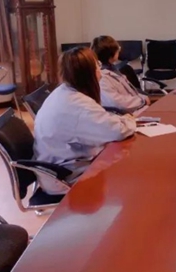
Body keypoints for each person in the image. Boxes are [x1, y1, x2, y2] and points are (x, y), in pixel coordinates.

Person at [33, 47, 136, 193]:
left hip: (58, 166)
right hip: (65, 177)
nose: (100, 70)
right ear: (89, 72)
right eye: (97, 65)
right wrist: (130, 119)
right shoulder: (77, 106)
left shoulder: (64, 92)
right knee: (129, 175)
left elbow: (102, 122)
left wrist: (119, 120)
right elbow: (117, 131)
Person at [91, 35, 150, 114]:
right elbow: (117, 103)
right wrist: (142, 101)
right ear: (111, 54)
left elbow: (130, 93)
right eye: (118, 48)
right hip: (124, 116)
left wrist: (142, 98)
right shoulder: (102, 78)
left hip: (133, 110)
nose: (119, 50)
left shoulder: (113, 70)